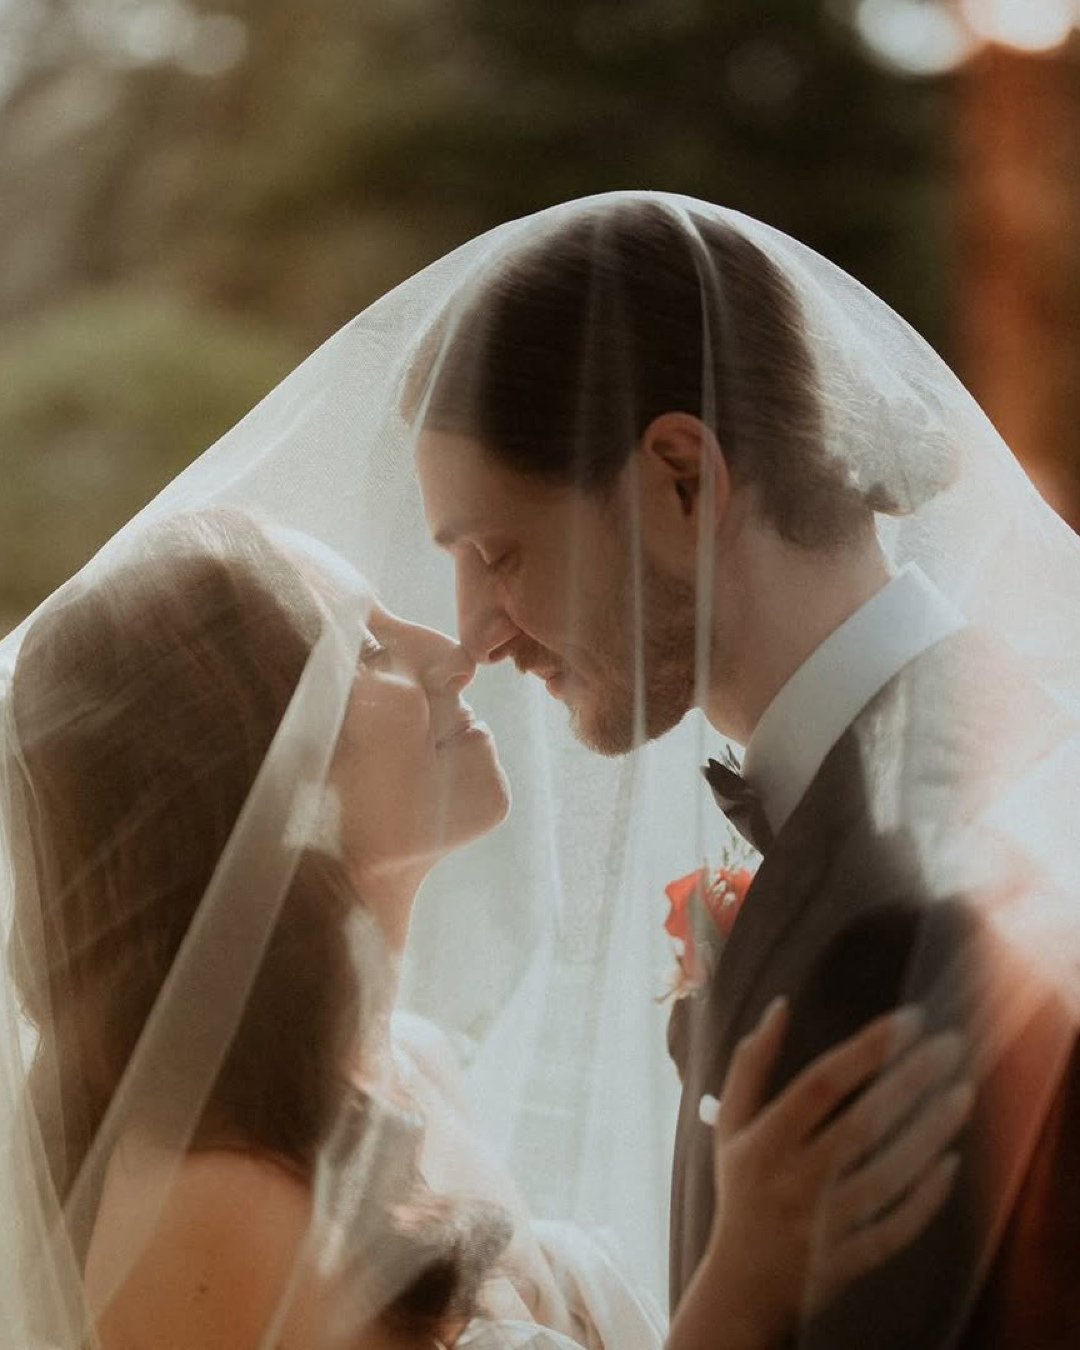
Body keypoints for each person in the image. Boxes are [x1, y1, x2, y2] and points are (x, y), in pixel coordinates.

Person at [1, 510, 968, 1350]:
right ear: (241, 780)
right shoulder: (205, 1206)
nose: (454, 654)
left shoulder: (406, 1070)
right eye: (367, 650)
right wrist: (746, 1276)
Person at [408, 196, 1080, 1346]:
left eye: (497, 553)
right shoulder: (978, 743)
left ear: (682, 478)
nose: (476, 633)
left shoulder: (906, 913)